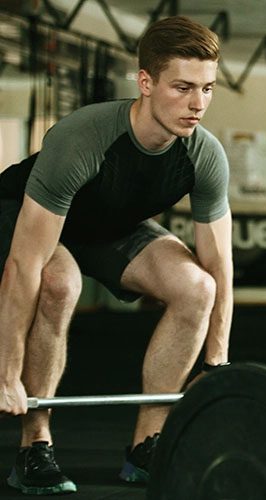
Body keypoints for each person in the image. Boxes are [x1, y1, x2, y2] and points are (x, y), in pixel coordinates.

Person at [0, 16, 232, 495]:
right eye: (183, 87)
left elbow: (219, 264)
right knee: (59, 283)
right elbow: (25, 265)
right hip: (21, 213)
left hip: (107, 227)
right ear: (145, 82)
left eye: (208, 89)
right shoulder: (82, 138)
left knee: (197, 287)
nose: (197, 105)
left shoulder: (203, 155)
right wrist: (6, 371)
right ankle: (34, 446)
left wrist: (215, 364)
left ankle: (147, 445)